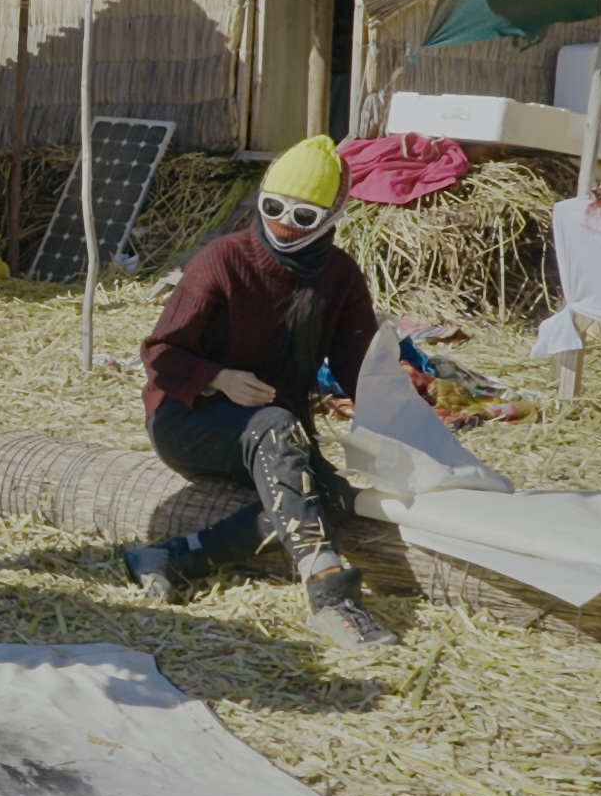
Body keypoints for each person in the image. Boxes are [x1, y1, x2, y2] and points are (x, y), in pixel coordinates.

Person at [124, 135, 398, 649]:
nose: (283, 225)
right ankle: (330, 593)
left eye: (303, 217)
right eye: (273, 208)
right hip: (189, 419)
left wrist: (407, 413)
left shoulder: (339, 276)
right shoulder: (222, 260)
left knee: (330, 497)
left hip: (276, 432)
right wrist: (218, 378)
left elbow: (360, 367)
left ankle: (172, 557)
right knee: (276, 424)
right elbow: (159, 353)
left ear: (332, 217)